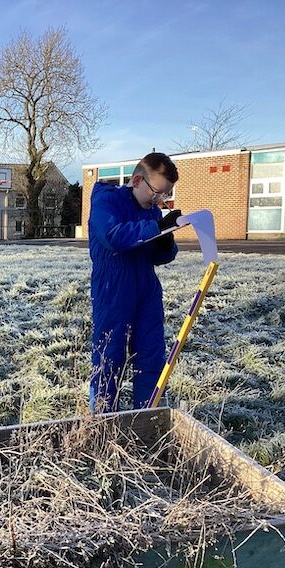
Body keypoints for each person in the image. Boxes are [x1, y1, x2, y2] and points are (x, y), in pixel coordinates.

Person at [88, 152, 181, 413]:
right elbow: (113, 236)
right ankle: (102, 422)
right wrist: (155, 230)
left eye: (165, 195)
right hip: (113, 291)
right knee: (110, 358)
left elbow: (159, 256)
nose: (159, 200)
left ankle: (147, 417)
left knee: (151, 356)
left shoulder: (151, 211)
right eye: (157, 192)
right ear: (138, 180)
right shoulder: (106, 201)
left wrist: (166, 241)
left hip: (147, 292)